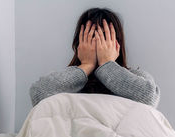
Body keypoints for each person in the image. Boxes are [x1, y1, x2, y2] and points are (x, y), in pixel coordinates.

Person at [29, 7, 160, 108]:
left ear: (116, 43)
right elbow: (38, 94)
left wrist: (107, 64)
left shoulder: (135, 75)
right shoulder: (65, 79)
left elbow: (150, 98)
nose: (98, 42)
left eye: (104, 36)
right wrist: (86, 65)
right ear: (79, 43)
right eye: (91, 36)